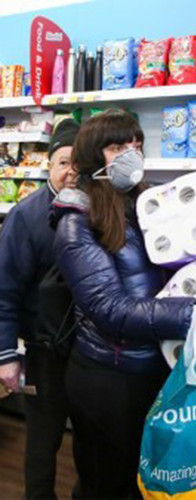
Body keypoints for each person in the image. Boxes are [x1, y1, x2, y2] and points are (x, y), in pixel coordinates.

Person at [50, 110, 196, 498]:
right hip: (109, 377)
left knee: (147, 478)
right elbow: (110, 309)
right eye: (118, 148)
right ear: (93, 156)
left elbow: (185, 264)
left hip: (154, 365)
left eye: (136, 145)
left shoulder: (145, 205)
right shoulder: (76, 223)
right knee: (106, 483)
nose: (132, 155)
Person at [0, 119, 80, 499]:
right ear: (49, 164)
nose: (71, 171)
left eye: (79, 163)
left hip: (88, 353)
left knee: (91, 443)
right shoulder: (26, 216)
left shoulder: (96, 210)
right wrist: (5, 356)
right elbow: (3, 291)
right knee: (42, 444)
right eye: (63, 162)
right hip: (42, 352)